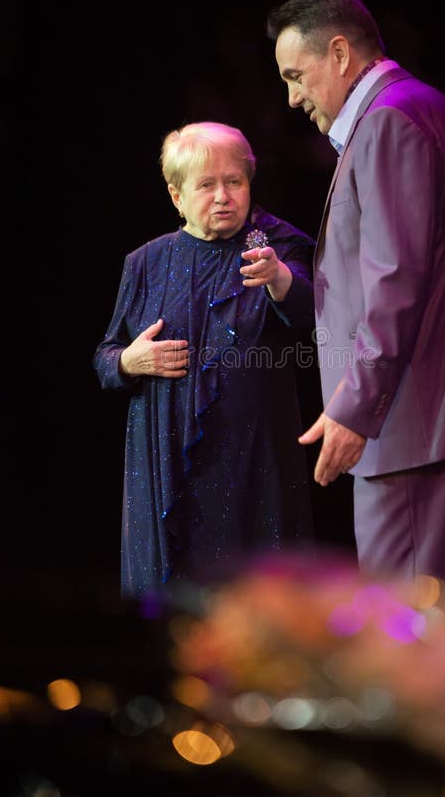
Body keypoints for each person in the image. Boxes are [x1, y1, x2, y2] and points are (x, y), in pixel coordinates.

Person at [266, 0, 445, 582]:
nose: (292, 98)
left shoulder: (390, 123)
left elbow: (396, 284)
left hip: (411, 424)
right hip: (437, 414)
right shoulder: (433, 110)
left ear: (338, 53)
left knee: (403, 637)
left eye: (295, 76)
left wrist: (356, 408)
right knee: (436, 628)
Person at [93, 121, 316, 599]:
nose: (223, 196)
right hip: (167, 466)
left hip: (257, 467)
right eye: (206, 185)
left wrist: (278, 278)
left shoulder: (275, 245)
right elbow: (105, 358)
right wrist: (130, 362)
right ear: (176, 196)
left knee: (263, 609)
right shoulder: (145, 263)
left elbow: (315, 313)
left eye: (234, 182)